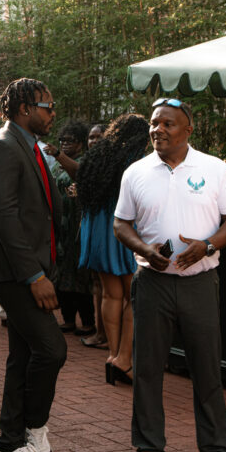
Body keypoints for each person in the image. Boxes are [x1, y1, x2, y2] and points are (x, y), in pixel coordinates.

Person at [113, 98, 226, 452]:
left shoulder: (213, 168)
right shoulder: (136, 172)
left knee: (207, 368)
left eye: (168, 124)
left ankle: (216, 451)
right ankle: (148, 448)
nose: (158, 129)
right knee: (147, 368)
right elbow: (121, 224)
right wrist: (143, 249)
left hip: (200, 284)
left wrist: (207, 245)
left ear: (188, 129)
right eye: (154, 123)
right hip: (151, 284)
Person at [0, 78, 65, 452]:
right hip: (17, 272)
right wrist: (33, 275)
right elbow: (4, 218)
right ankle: (32, 431)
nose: (53, 113)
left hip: (31, 268)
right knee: (52, 349)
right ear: (26, 108)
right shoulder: (2, 146)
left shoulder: (28, 146)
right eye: (48, 106)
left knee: (24, 354)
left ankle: (10, 445)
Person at [77, 114, 149, 386]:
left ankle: (112, 355)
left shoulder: (97, 158)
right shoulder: (134, 162)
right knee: (135, 296)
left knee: (111, 293)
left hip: (96, 230)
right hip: (120, 229)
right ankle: (124, 358)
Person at [43, 120, 95, 336]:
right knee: (63, 272)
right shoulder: (57, 165)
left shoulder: (85, 162)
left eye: (70, 141)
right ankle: (68, 319)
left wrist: (57, 154)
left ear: (81, 143)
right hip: (61, 226)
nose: (64, 144)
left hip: (77, 226)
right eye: (62, 140)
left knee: (81, 275)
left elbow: (80, 175)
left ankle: (88, 321)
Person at [80, 123, 108, 347]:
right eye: (91, 137)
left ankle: (108, 335)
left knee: (108, 283)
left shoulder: (113, 164)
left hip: (105, 225)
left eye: (99, 137)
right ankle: (100, 332)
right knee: (95, 280)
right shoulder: (89, 163)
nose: (94, 141)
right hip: (90, 222)